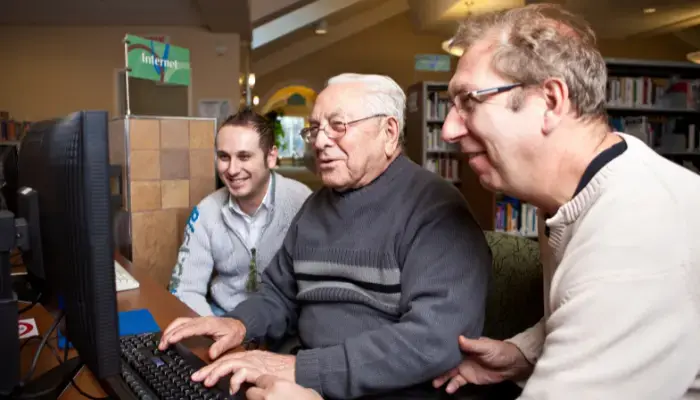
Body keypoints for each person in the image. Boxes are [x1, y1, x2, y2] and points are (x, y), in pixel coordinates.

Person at [159, 73, 492, 399]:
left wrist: (301, 369)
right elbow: (279, 294)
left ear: (389, 132)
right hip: (306, 379)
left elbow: (433, 340)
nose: (319, 141)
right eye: (315, 128)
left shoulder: (436, 209)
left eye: (338, 126)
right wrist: (239, 324)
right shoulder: (316, 206)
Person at [433, 3, 700, 399]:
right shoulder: (584, 188)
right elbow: (595, 306)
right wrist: (521, 354)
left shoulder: (633, 239)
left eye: (469, 101)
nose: (449, 130)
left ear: (552, 101)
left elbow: (615, 286)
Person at [168, 107, 312, 317]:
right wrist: (214, 330)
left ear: (271, 157)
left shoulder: (302, 202)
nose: (232, 170)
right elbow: (185, 289)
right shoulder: (206, 212)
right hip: (224, 315)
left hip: (286, 322)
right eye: (224, 157)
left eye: (244, 157)